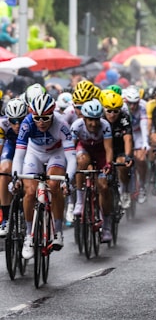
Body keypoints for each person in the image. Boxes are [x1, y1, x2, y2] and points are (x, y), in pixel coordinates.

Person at [12, 93, 77, 260]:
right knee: (29, 192)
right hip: (34, 154)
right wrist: (15, 177)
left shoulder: (61, 124)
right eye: (37, 117)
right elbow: (19, 155)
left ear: (52, 114)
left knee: (54, 186)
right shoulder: (27, 124)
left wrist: (67, 180)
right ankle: (28, 235)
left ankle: (58, 231)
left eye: (45, 118)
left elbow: (71, 157)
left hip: (56, 154)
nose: (41, 122)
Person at [70, 99, 114, 242]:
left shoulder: (106, 125)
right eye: (90, 120)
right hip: (85, 150)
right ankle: (80, 201)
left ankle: (106, 227)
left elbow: (108, 149)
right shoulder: (76, 126)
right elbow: (70, 149)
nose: (93, 124)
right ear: (83, 117)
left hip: (100, 153)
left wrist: (108, 165)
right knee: (81, 162)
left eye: (96, 120)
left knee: (103, 187)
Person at [99, 89, 134, 209]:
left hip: (119, 148)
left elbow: (128, 139)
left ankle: (124, 190)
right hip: (104, 149)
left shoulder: (124, 117)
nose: (112, 114)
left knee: (122, 163)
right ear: (104, 109)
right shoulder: (99, 118)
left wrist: (128, 156)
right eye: (109, 111)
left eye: (115, 111)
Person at [0, 98, 27, 236]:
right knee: (4, 170)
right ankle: (5, 218)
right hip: (11, 147)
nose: (17, 125)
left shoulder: (31, 122)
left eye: (20, 120)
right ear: (8, 118)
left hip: (29, 148)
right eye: (13, 121)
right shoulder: (2, 124)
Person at [122, 85, 149, 204]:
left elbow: (144, 126)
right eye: (130, 103)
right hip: (125, 133)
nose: (132, 106)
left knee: (141, 159)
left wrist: (145, 142)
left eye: (135, 103)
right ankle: (123, 188)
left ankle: (142, 186)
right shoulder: (122, 107)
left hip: (137, 133)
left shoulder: (142, 107)